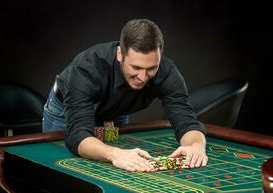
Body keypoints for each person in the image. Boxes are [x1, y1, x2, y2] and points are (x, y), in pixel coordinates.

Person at [42, 18, 208, 172]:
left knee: (114, 167)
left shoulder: (167, 71)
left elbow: (186, 121)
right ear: (120, 54)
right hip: (64, 111)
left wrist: (196, 145)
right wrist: (115, 154)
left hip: (116, 112)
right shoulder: (87, 66)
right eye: (135, 68)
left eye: (151, 68)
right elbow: (77, 136)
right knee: (61, 170)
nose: (143, 77)